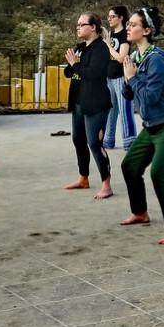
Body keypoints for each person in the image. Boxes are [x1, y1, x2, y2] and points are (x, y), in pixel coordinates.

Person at [118, 7, 164, 245]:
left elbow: (149, 97)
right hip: (151, 127)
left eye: (134, 25)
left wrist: (133, 78)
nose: (129, 28)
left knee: (159, 173)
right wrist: (129, 79)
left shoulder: (157, 59)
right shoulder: (137, 57)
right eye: (128, 24)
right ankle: (140, 212)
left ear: (147, 30)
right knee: (130, 166)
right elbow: (131, 96)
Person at [63, 12, 115, 199]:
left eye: (81, 24)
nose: (78, 28)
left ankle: (106, 183)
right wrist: (72, 64)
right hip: (79, 101)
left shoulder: (100, 48)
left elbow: (93, 74)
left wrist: (76, 65)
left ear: (93, 27)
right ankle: (83, 178)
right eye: (77, 25)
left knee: (94, 142)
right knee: (78, 139)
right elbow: (69, 73)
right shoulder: (81, 48)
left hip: (96, 103)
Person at [104, 6, 138, 151]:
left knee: (125, 111)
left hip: (121, 76)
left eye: (112, 16)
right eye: (108, 17)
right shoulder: (111, 34)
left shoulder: (125, 34)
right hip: (109, 77)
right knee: (110, 111)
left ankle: (130, 142)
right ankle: (108, 140)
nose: (109, 19)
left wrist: (108, 46)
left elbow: (121, 57)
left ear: (120, 18)